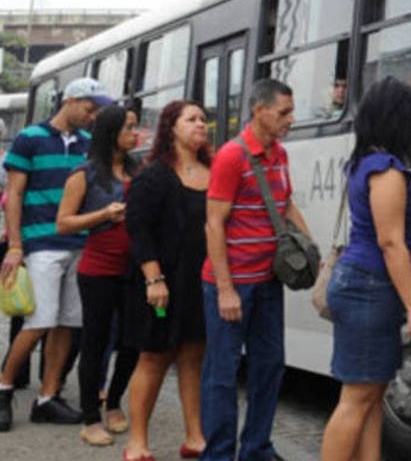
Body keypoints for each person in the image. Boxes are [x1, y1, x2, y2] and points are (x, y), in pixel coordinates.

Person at [320, 76, 411, 461]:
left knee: (370, 395)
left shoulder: (366, 162)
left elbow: (384, 220)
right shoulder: (386, 169)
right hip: (369, 287)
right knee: (357, 399)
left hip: (361, 285)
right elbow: (389, 242)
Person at [203, 78, 310, 461]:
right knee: (222, 373)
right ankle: (217, 454)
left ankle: (256, 448)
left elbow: (285, 205)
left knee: (269, 367)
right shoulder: (231, 156)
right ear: (258, 110)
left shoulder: (279, 154)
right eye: (283, 112)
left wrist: (309, 247)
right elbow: (214, 223)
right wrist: (226, 289)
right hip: (234, 284)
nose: (290, 119)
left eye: (291, 111)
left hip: (268, 283)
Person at [0, 77, 113, 432]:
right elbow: (14, 195)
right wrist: (16, 246)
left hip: (80, 243)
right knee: (40, 321)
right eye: (89, 107)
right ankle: (3, 389)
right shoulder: (30, 138)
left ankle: (47, 397)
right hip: (42, 243)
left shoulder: (89, 144)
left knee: (66, 323)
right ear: (71, 100)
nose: (93, 115)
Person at [124, 100, 211, 461]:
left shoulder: (213, 170)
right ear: (171, 127)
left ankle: (194, 437)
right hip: (160, 282)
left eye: (204, 119)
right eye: (191, 119)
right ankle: (137, 442)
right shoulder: (154, 175)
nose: (201, 125)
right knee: (154, 358)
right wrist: (153, 278)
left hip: (198, 281)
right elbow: (138, 228)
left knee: (193, 356)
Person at [55, 105, 140, 445]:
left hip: (135, 270)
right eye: (129, 128)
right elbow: (64, 222)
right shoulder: (85, 173)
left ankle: (115, 402)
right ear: (111, 132)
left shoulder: (141, 170)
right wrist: (104, 213)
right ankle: (91, 416)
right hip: (98, 270)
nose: (136, 134)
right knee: (95, 341)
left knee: (134, 341)